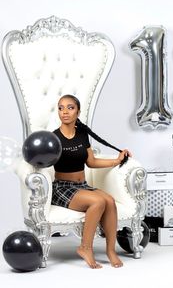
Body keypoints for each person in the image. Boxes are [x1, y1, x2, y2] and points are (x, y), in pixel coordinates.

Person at [51, 94, 131, 269]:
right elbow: (42, 160)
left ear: (78, 111)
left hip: (81, 186)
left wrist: (117, 161)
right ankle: (85, 247)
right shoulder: (53, 138)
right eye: (60, 108)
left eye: (70, 107)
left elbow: (91, 162)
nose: (64, 112)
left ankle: (111, 250)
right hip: (63, 188)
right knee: (98, 202)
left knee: (109, 201)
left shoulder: (82, 135)